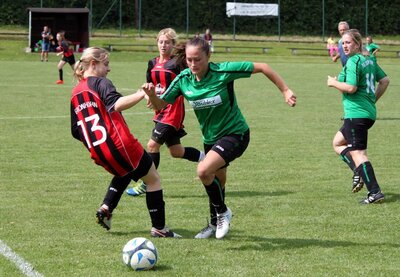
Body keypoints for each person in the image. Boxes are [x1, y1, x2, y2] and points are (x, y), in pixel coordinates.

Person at [142, 37, 296, 239]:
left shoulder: (223, 71)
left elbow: (263, 67)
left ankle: (223, 212)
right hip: (210, 138)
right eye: (189, 60)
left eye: (198, 59)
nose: (193, 64)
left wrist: (285, 90)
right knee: (217, 181)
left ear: (208, 56)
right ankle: (215, 224)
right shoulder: (183, 79)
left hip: (235, 133)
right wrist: (152, 95)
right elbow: (160, 105)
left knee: (204, 170)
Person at [70, 47, 181, 238]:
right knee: (153, 179)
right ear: (94, 64)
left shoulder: (75, 93)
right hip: (121, 144)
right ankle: (159, 228)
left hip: (99, 152)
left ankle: (106, 208)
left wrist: (97, 143)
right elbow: (116, 104)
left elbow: (75, 131)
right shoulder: (100, 82)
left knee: (127, 171)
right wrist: (141, 93)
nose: (108, 69)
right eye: (106, 64)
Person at [126, 28, 204, 196]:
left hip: (173, 110)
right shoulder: (152, 63)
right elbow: (150, 83)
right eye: (161, 41)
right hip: (159, 109)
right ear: (157, 43)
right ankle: (207, 160)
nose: (163, 45)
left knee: (152, 145)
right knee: (176, 151)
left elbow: (189, 79)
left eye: (167, 42)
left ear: (173, 45)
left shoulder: (177, 63)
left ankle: (147, 184)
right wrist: (149, 95)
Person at [327, 29, 390, 204]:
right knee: (338, 143)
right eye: (343, 43)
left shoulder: (354, 61)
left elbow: (351, 88)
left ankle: (375, 192)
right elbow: (384, 81)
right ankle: (359, 172)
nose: (344, 46)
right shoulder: (369, 59)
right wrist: (372, 100)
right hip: (366, 113)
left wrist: (333, 83)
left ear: (357, 43)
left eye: (348, 42)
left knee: (359, 153)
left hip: (356, 113)